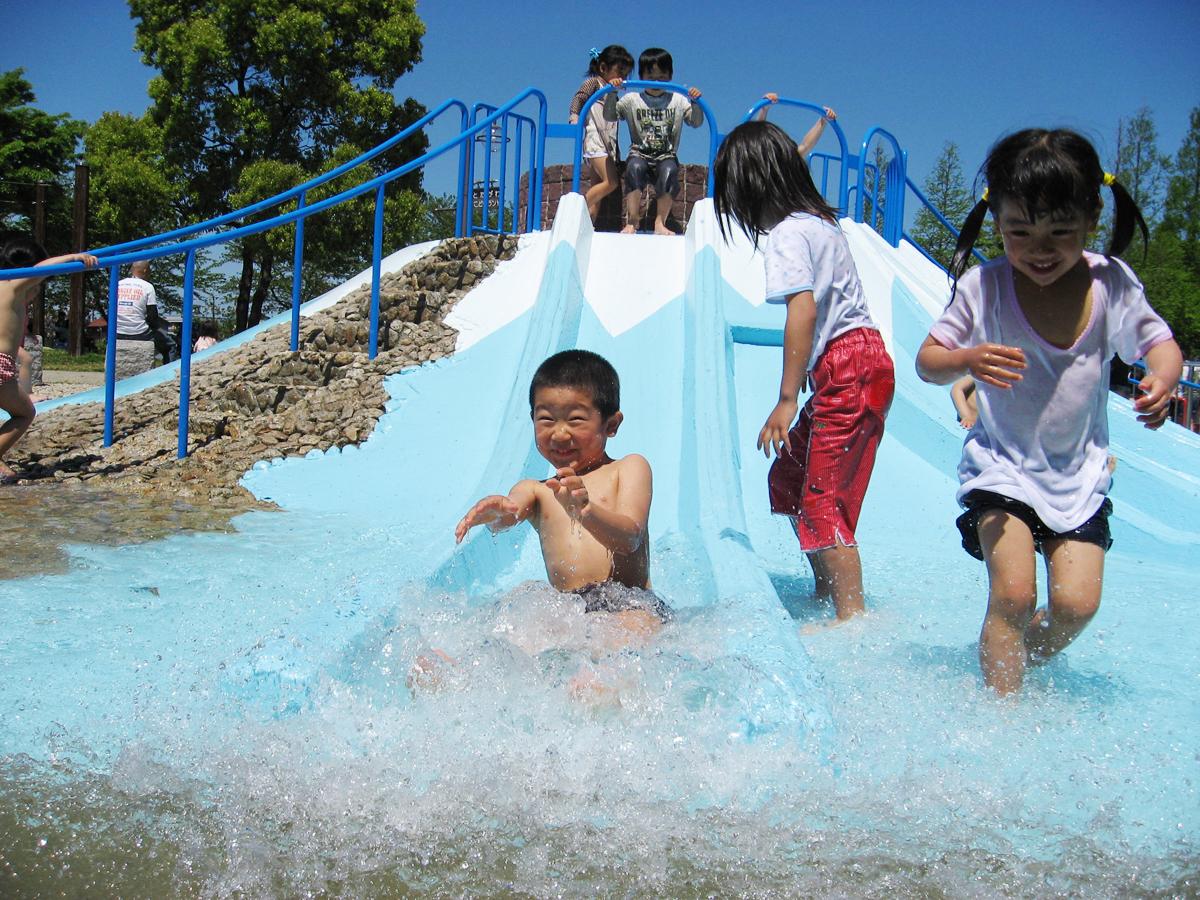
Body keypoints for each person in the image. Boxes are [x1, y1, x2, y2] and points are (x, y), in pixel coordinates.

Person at [914, 128, 1183, 696]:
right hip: (1002, 466)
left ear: (1090, 218)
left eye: (1060, 233)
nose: (1039, 250)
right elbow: (929, 362)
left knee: (1076, 606)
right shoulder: (984, 286)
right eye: (1019, 232)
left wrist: (1164, 375)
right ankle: (1001, 714)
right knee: (1013, 594)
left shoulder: (1110, 283)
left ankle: (1009, 655)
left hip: (1079, 475)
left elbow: (1158, 342)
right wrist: (967, 356)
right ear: (997, 220)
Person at [713, 121, 896, 624]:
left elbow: (804, 311)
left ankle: (851, 619)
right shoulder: (818, 221)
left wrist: (787, 396)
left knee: (823, 499)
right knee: (792, 478)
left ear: (746, 188)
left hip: (847, 365)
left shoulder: (787, 234)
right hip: (855, 364)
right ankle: (825, 592)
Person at [454, 349, 666, 634]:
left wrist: (587, 512)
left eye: (575, 419)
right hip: (570, 611)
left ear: (611, 424)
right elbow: (510, 511)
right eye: (546, 419)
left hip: (630, 602)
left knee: (636, 627)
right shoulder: (537, 491)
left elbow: (631, 537)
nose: (559, 433)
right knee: (525, 627)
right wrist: (497, 512)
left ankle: (598, 680)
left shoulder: (629, 468)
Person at [0, 234, 98, 484]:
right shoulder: (13, 286)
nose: (36, 291)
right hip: (0, 367)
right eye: (38, 286)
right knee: (25, 413)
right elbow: (40, 268)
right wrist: (73, 257)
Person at [603, 47, 704, 235]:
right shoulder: (632, 99)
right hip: (639, 153)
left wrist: (696, 102)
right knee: (634, 169)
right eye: (651, 77)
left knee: (669, 171)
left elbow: (696, 122)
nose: (656, 82)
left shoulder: (678, 100)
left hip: (666, 155)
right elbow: (610, 116)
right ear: (641, 77)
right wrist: (612, 92)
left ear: (670, 76)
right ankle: (633, 221)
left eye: (662, 78)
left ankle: (660, 222)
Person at [568, 45, 634, 224]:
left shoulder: (613, 94)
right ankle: (576, 209)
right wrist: (574, 118)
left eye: (626, 74)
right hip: (595, 142)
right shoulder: (594, 83)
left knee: (598, 189)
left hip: (607, 145)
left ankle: (588, 224)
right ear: (603, 68)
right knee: (611, 182)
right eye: (619, 72)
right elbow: (579, 98)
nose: (622, 78)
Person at [116, 259, 173, 365]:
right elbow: (153, 317)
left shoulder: (118, 284)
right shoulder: (148, 286)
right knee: (170, 346)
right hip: (139, 333)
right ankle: (169, 373)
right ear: (146, 270)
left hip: (117, 333)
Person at [754, 94, 838, 157]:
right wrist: (764, 109)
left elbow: (806, 146)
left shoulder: (786, 160)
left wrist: (823, 120)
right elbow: (757, 138)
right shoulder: (761, 158)